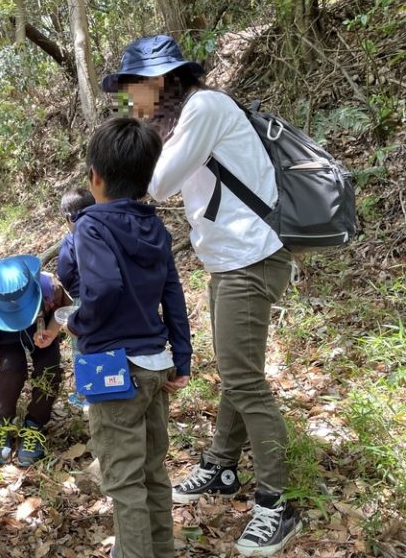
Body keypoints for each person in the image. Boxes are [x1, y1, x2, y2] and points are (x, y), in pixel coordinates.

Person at [102, 35, 302, 557]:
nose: (129, 102)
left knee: (244, 379)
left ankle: (277, 503)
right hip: (230, 260)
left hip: (251, 258)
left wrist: (125, 148)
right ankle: (221, 465)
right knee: (236, 370)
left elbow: (158, 182)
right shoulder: (185, 118)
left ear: (160, 80)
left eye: (132, 90)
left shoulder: (206, 107)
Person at [65, 117, 192, 558]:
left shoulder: (90, 226)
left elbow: (102, 290)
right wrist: (183, 356)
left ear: (95, 177)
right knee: (153, 471)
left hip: (111, 369)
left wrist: (77, 323)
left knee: (123, 480)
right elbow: (173, 293)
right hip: (156, 361)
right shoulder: (155, 227)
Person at [0, 255, 70, 467]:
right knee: (11, 367)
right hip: (5, 331)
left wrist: (51, 331)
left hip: (41, 326)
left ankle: (34, 424)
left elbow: (65, 309)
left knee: (48, 369)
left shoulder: (50, 287)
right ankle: (2, 421)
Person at [57, 186, 95, 302]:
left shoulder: (69, 242)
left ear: (69, 218)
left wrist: (72, 289)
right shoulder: (105, 231)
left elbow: (64, 275)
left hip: (83, 298)